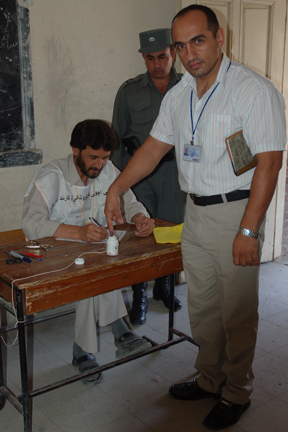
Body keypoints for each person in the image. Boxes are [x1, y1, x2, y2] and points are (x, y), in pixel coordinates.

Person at [104, 5, 286, 430]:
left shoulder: (253, 90)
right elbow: (152, 149)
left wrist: (249, 229)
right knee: (203, 309)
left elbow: (269, 164)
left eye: (198, 41)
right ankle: (210, 378)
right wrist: (115, 187)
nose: (190, 54)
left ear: (220, 38)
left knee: (237, 312)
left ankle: (237, 391)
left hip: (235, 212)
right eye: (181, 46)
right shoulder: (180, 94)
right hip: (195, 213)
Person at [22, 119, 155, 384]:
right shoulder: (52, 175)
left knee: (95, 264)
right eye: (93, 157)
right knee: (89, 270)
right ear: (75, 150)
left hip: (92, 251)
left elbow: (129, 202)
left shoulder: (107, 172)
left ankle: (85, 351)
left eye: (105, 158)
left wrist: (140, 217)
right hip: (55, 252)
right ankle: (114, 334)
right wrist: (78, 233)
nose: (100, 165)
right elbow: (30, 221)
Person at [112, 28, 186, 325]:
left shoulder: (188, 87)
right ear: (143, 58)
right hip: (139, 174)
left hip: (175, 172)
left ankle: (165, 287)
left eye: (163, 56)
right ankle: (140, 294)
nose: (158, 64)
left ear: (173, 54)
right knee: (140, 234)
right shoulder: (129, 91)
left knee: (170, 232)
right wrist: (117, 186)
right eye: (150, 58)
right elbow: (117, 138)